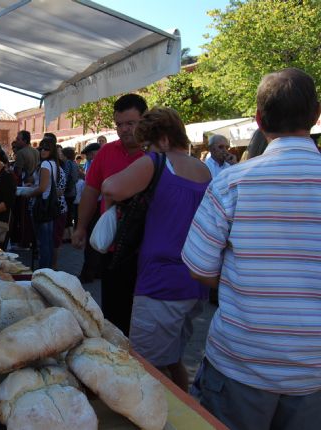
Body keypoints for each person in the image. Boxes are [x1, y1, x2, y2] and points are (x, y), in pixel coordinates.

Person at [182, 68, 321, 430]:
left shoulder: (232, 182)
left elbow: (198, 268)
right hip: (313, 370)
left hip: (241, 361)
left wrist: (247, 282)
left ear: (259, 121)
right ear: (316, 114)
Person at [102, 107, 211, 391]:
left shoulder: (156, 162)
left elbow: (110, 187)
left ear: (162, 140)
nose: (145, 151)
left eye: (147, 145)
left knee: (145, 367)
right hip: (194, 281)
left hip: (159, 283)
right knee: (174, 358)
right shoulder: (204, 170)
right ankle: (186, 411)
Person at [72, 93, 148, 335]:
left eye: (130, 123)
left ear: (144, 120)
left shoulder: (156, 153)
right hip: (114, 247)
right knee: (114, 313)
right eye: (119, 125)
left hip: (147, 248)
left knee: (144, 316)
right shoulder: (106, 152)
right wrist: (81, 227)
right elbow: (91, 192)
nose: (124, 130)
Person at [26, 136, 61, 268]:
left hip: (42, 206)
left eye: (46, 149)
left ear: (51, 150)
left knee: (43, 243)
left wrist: (28, 193)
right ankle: (47, 271)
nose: (43, 151)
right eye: (41, 148)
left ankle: (43, 271)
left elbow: (42, 188)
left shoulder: (46, 164)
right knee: (47, 241)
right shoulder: (54, 163)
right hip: (49, 206)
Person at [52, 144, 68, 269]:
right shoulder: (58, 168)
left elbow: (60, 191)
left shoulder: (58, 169)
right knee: (54, 238)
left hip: (57, 208)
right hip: (59, 207)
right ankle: (53, 265)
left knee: (55, 238)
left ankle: (53, 265)